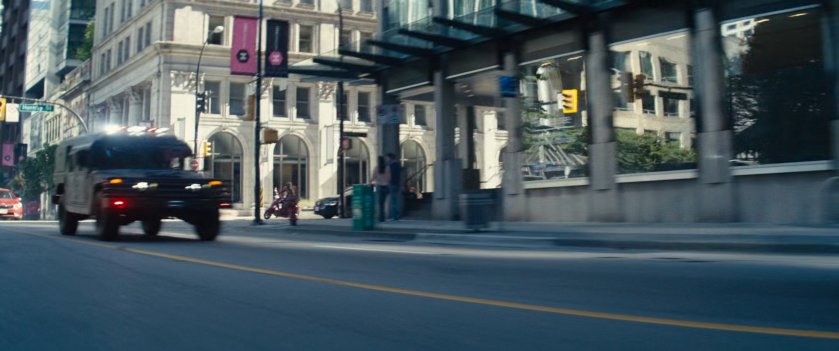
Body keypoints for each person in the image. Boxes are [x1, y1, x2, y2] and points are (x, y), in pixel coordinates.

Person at [370, 156, 391, 222]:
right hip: (386, 186)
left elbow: (373, 177)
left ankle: (380, 217)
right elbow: (389, 178)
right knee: (385, 203)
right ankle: (384, 217)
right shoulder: (387, 168)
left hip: (379, 186)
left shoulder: (376, 168)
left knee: (380, 203)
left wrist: (370, 183)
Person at [386, 153, 402, 221]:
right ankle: (396, 215)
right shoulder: (398, 165)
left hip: (392, 184)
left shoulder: (390, 166)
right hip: (397, 184)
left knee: (393, 201)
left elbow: (388, 176)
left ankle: (394, 216)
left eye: (387, 158)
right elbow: (401, 175)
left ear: (390, 158)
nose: (386, 159)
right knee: (395, 200)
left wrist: (388, 183)